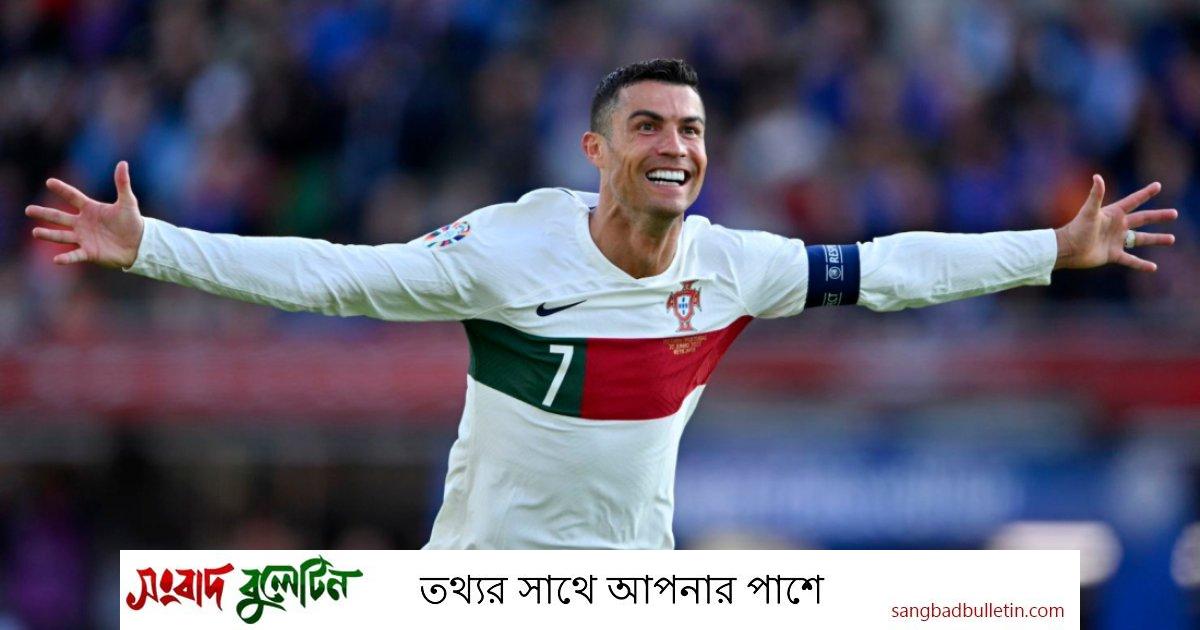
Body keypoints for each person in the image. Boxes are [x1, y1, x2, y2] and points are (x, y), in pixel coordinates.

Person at [26, 59, 1177, 549]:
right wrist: (152, 246)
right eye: (649, 126)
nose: (676, 144)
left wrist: (1053, 248)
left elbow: (891, 269)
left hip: (626, 590)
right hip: (481, 589)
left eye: (692, 129)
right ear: (596, 151)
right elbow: (333, 275)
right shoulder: (503, 251)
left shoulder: (733, 266)